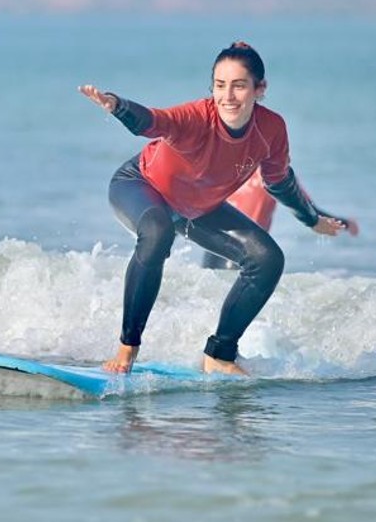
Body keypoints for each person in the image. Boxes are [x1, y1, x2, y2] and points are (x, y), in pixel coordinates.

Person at [79, 41, 358, 376]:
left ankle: (220, 355)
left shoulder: (271, 129)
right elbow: (154, 121)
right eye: (220, 85)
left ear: (260, 89)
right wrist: (118, 105)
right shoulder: (197, 117)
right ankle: (127, 348)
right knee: (156, 232)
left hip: (197, 208)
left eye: (239, 86)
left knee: (267, 259)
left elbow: (280, 181)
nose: (227, 96)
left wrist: (311, 220)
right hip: (141, 185)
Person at [201, 171, 277, 270]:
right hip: (249, 245)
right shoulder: (274, 173)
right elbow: (300, 201)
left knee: (208, 280)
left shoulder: (230, 168)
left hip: (218, 238)